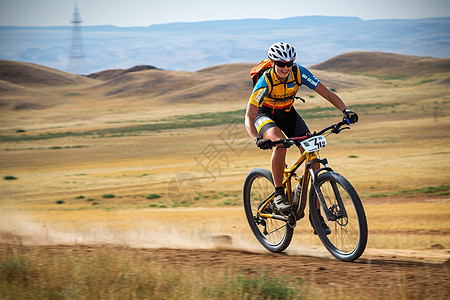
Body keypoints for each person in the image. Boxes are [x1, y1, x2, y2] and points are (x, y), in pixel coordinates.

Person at [244, 42, 358, 232]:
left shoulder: (299, 72)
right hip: (264, 114)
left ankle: (316, 214)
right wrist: (257, 137)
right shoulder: (266, 79)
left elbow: (326, 93)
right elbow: (249, 114)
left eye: (289, 63)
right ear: (273, 63)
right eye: (281, 63)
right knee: (279, 143)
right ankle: (279, 193)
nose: (285, 68)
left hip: (288, 113)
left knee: (312, 151)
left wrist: (345, 110)